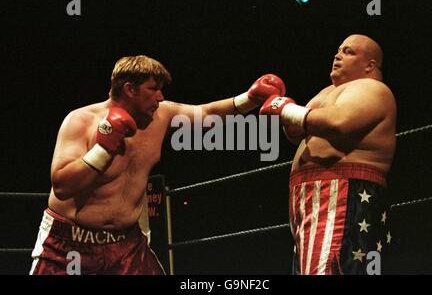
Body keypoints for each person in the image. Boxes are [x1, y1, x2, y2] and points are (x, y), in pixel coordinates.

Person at [29, 55, 285, 275]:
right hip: (70, 244)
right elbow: (62, 186)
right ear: (130, 89)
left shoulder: (161, 115)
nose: (160, 97)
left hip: (126, 246)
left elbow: (206, 114)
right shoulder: (80, 121)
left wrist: (250, 99)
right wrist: (102, 149)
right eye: (154, 89)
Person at [260, 34, 396, 275]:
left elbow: (339, 123)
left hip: (340, 192)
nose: (338, 55)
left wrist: (285, 108)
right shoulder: (328, 92)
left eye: (348, 51)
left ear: (370, 65)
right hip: (313, 195)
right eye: (338, 50)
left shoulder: (373, 89)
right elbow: (297, 132)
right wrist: (279, 108)